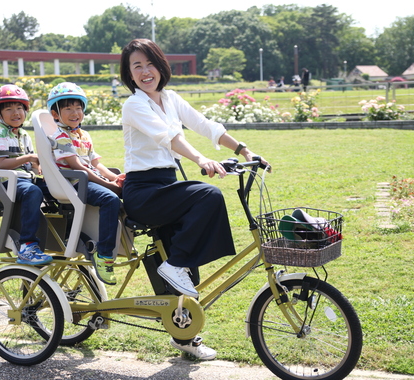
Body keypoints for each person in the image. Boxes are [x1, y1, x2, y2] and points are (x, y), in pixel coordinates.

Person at [119, 38, 269, 360]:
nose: (146, 71)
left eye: (150, 64)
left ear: (161, 66)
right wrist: (201, 160)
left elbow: (205, 125)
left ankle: (185, 336)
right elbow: (167, 137)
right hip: (144, 191)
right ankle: (174, 266)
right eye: (137, 66)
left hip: (167, 186)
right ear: (130, 74)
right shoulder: (134, 105)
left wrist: (244, 150)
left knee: (189, 269)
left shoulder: (170, 98)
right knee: (208, 195)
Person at [47, 82, 123, 285]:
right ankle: (104, 254)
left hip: (87, 179)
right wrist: (108, 185)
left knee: (126, 190)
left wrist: (115, 178)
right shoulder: (60, 137)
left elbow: (96, 163)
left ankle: (123, 241)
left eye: (78, 108)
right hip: (73, 184)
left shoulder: (84, 135)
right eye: (68, 109)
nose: (75, 113)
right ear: (55, 114)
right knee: (109, 199)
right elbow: (78, 167)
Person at [0, 84, 53, 266]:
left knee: (56, 188)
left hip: (24, 179)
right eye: (9, 109)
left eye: (19, 108)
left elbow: (31, 164)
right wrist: (30, 157)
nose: (16, 113)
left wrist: (37, 167)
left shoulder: (23, 134)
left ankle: (59, 237)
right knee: (33, 192)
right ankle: (27, 246)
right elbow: (2, 163)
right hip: (8, 181)